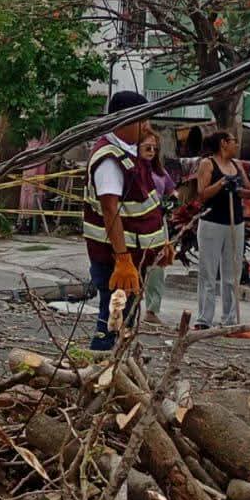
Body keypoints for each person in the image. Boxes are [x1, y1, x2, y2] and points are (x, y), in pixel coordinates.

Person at [84, 91, 171, 352]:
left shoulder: (131, 154)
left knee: (126, 323)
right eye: (142, 119)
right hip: (117, 260)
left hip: (135, 258)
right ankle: (99, 367)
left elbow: (147, 205)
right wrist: (122, 259)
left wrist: (161, 244)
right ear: (124, 120)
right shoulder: (110, 159)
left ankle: (116, 369)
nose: (146, 126)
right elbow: (110, 210)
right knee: (113, 321)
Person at [192, 129, 250, 329]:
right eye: (234, 141)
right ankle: (204, 319)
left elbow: (248, 191)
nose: (237, 144)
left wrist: (239, 189)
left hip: (235, 223)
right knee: (208, 272)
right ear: (224, 143)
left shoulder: (237, 164)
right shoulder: (207, 163)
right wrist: (221, 183)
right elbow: (202, 194)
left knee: (232, 273)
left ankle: (230, 320)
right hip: (212, 223)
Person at [138, 129, 177, 325]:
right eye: (147, 147)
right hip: (135, 222)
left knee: (157, 267)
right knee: (135, 265)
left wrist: (173, 201)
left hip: (158, 223)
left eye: (155, 148)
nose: (152, 151)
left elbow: (172, 191)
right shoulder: (132, 170)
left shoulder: (160, 172)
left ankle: (152, 309)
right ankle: (127, 307)